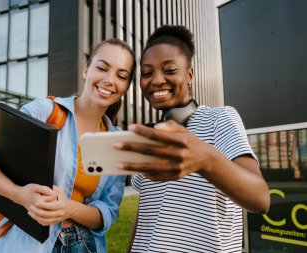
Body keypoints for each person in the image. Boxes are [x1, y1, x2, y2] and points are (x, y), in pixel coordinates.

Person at [0, 38, 136, 253]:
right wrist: (19, 195)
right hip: (25, 244)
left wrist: (68, 208)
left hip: (82, 246)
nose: (110, 80)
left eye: (121, 76)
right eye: (102, 68)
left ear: (126, 86)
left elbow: (107, 214)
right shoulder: (45, 111)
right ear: (86, 70)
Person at [114, 25, 270, 252]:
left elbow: (260, 199)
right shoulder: (146, 139)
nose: (157, 80)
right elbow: (148, 214)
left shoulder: (219, 119)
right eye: (147, 73)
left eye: (169, 70)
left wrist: (204, 160)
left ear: (189, 75)